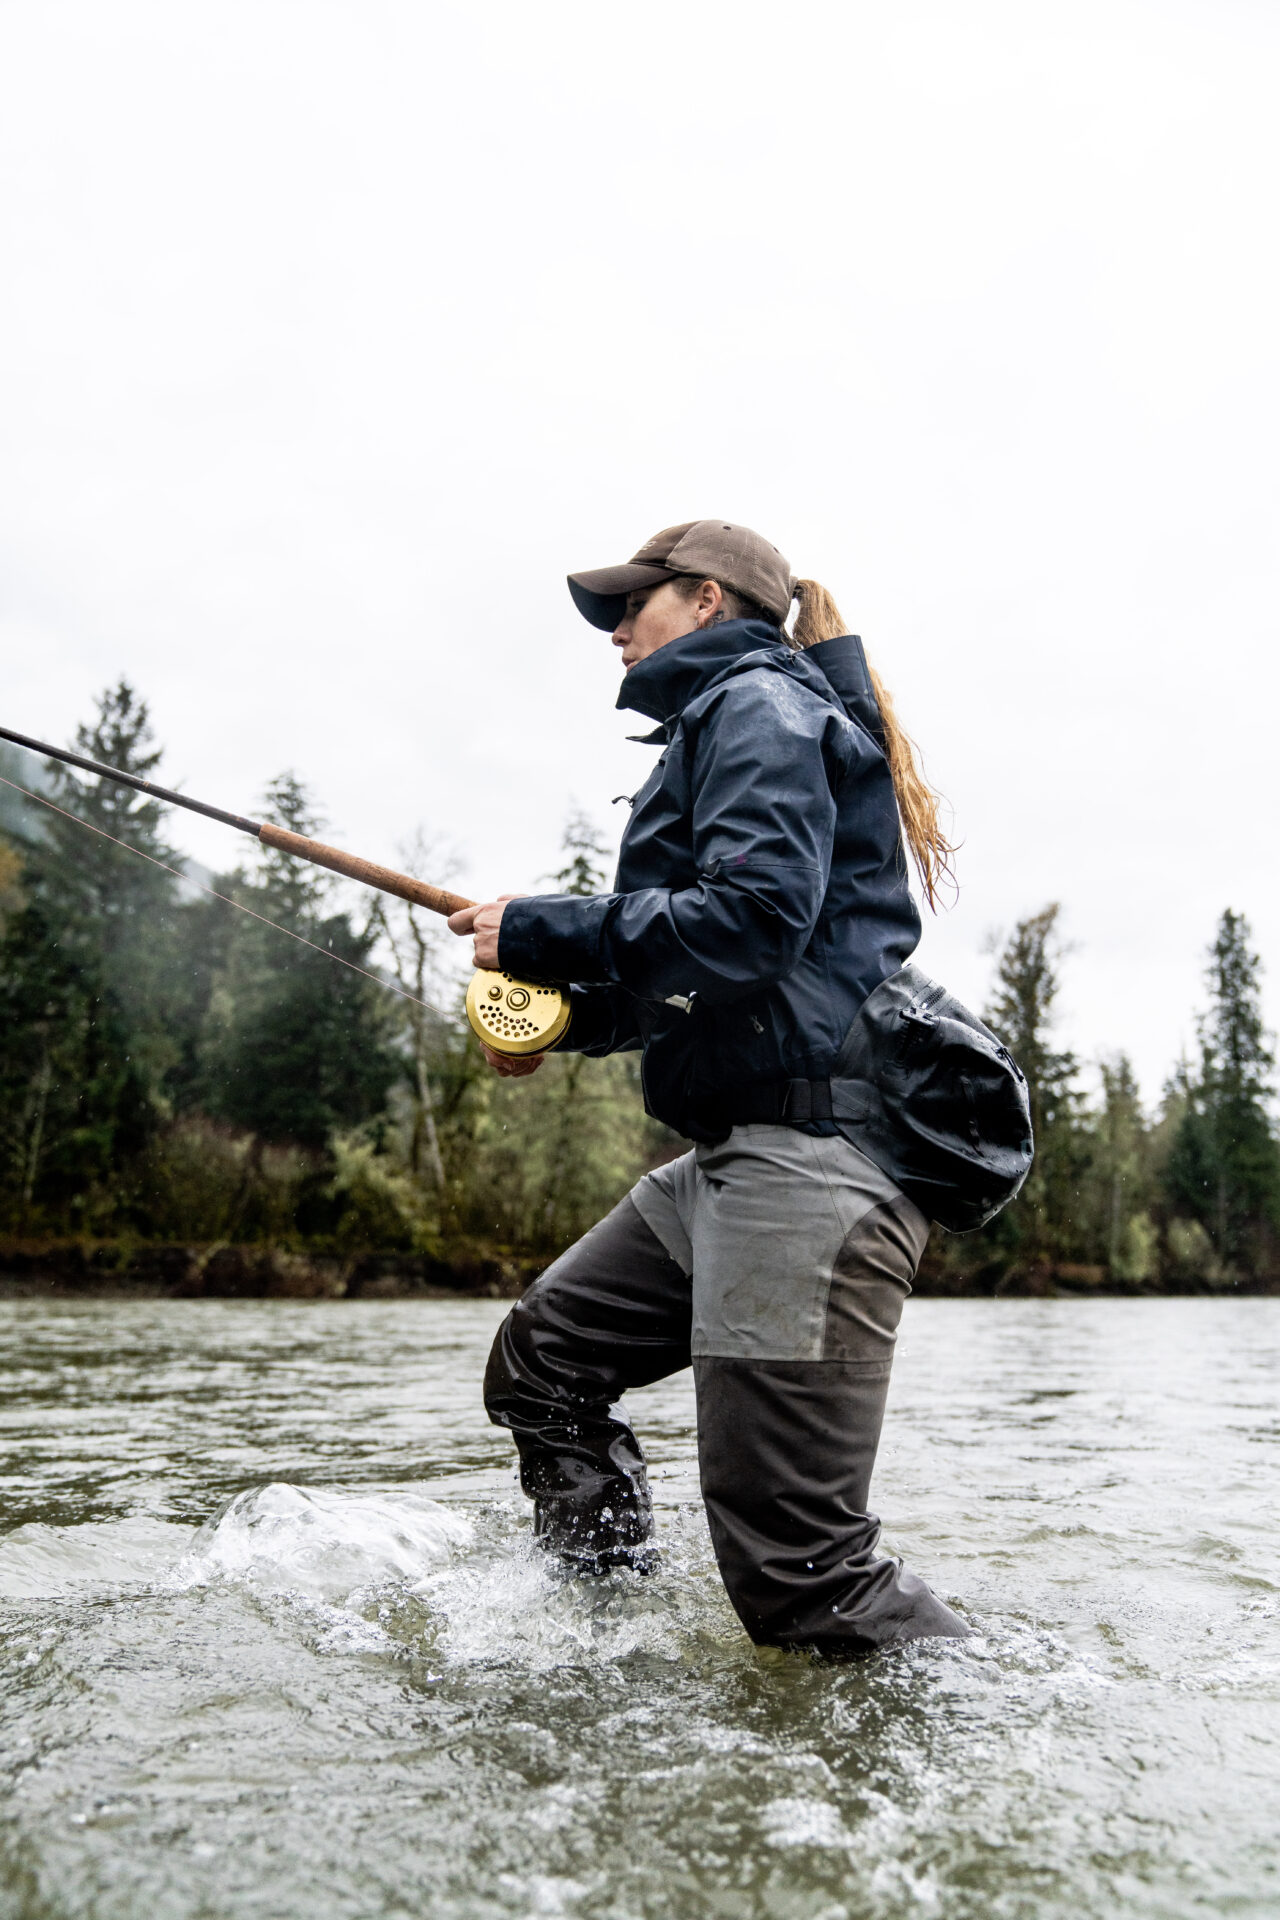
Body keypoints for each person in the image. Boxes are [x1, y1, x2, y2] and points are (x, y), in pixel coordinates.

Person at [448, 519, 970, 1656]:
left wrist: (536, 928)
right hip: (732, 1153)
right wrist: (566, 1019)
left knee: (799, 1577)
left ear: (704, 600)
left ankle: (1027, 1735)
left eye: (629, 607)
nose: (615, 633)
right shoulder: (724, 722)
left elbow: (754, 920)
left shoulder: (757, 706)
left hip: (812, 1163)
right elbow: (700, 978)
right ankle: (600, 1636)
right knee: (547, 1363)